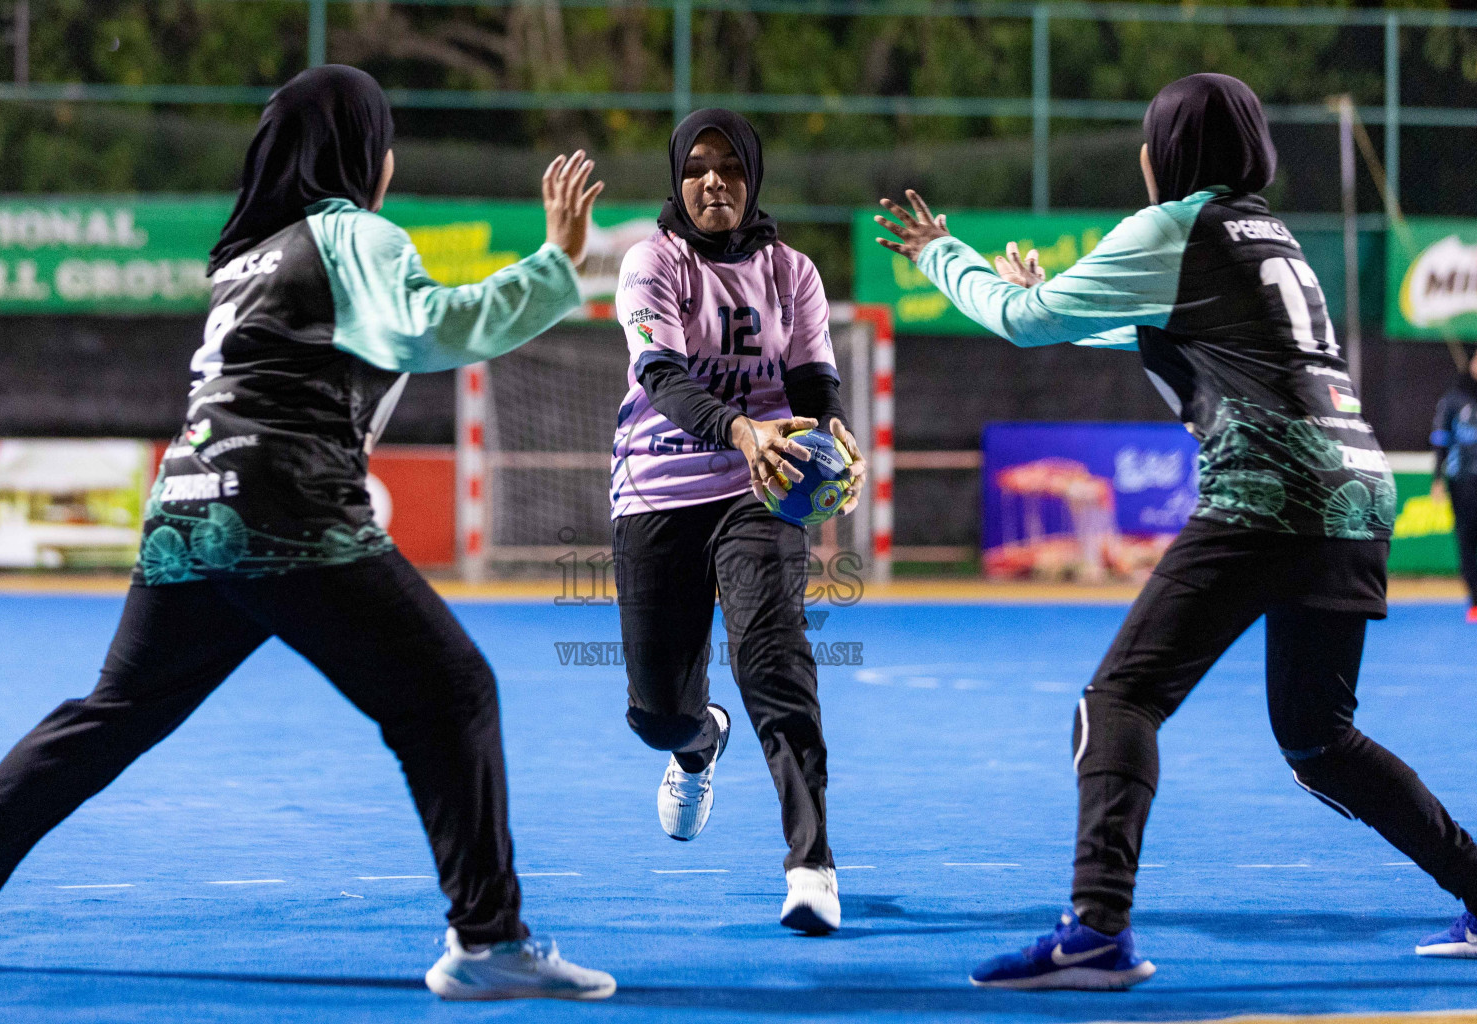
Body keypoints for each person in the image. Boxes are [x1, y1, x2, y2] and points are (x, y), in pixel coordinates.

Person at [0, 65, 616, 1002]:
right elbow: (430, 328)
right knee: (451, 692)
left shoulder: (244, 261)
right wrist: (555, 265)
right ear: (360, 156)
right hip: (282, 508)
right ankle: (488, 940)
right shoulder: (353, 236)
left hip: (186, 509)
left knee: (115, 713)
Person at [877, 72, 1477, 989]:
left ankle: (1097, 929)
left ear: (1162, 156)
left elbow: (1027, 324)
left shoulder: (1169, 226)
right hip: (1356, 490)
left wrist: (941, 254)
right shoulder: (1271, 236)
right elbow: (1155, 329)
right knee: (1320, 739)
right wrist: (1054, 298)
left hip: (1270, 489)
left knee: (1117, 702)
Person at [610, 108, 866, 934]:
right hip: (658, 487)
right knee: (656, 714)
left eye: (729, 166)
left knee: (775, 657)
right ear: (677, 179)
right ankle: (698, 741)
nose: (712, 181)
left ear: (753, 177)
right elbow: (664, 379)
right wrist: (743, 428)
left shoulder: (794, 272)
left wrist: (832, 436)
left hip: (764, 488)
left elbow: (815, 381)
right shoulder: (653, 261)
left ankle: (812, 862)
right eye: (696, 167)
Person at [1429, 349, 1477, 621]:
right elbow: (1441, 439)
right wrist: (1437, 478)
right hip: (1463, 482)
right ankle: (1475, 599)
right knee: (1467, 542)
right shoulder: (1453, 400)